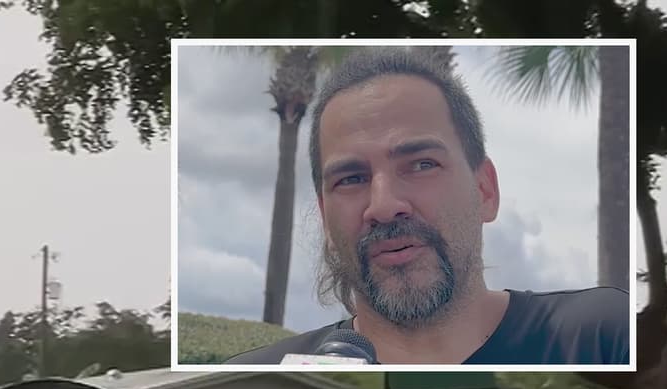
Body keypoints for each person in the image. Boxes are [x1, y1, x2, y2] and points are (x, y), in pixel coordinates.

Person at [225, 48, 629, 365]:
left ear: (485, 190)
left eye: (421, 165)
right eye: (350, 179)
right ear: (327, 222)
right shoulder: (265, 371)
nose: (383, 206)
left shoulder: (600, 335)